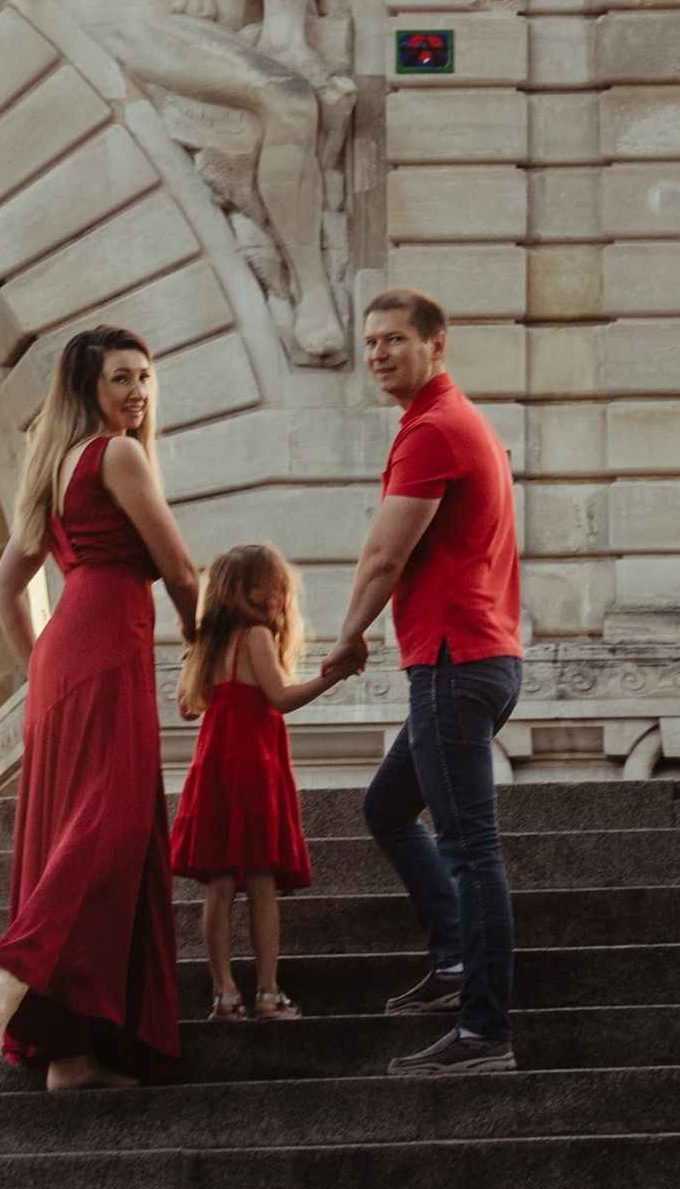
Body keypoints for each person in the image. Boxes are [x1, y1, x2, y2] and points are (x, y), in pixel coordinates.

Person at [0, 322, 198, 1093]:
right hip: (108, 645)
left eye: (145, 376)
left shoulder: (52, 469)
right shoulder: (118, 454)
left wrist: (42, 666)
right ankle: (25, 957)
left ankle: (73, 1057)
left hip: (66, 655)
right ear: (89, 390)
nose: (138, 393)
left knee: (104, 827)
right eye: (120, 380)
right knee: (115, 819)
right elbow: (177, 568)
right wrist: (204, 657)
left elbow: (6, 589)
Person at [330, 288, 523, 1076]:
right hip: (480, 656)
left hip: (451, 663)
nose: (378, 353)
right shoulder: (454, 423)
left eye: (396, 341)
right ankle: (452, 964)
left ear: (437, 347)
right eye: (371, 341)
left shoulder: (434, 432)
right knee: (387, 808)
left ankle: (484, 1033)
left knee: (473, 851)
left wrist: (347, 638)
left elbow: (384, 556)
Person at [171, 540, 353, 1017]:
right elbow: (280, 698)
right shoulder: (256, 637)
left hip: (214, 765)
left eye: (278, 590)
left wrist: (191, 652)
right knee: (260, 880)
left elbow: (188, 709)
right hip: (253, 764)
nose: (277, 599)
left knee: (218, 883)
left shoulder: (208, 644)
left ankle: (225, 991)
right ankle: (269, 991)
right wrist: (332, 676)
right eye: (268, 589)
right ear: (245, 592)